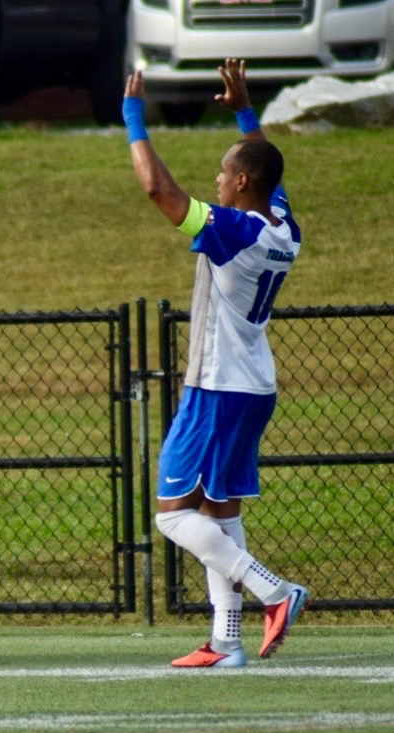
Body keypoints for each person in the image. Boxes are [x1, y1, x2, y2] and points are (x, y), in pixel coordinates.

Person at [123, 59, 308, 668]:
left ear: (243, 183)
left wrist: (132, 117)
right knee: (218, 511)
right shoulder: (283, 226)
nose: (218, 180)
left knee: (173, 515)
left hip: (219, 385)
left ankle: (274, 591)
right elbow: (268, 167)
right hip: (253, 385)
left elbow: (160, 193)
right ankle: (226, 641)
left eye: (225, 173)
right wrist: (245, 111)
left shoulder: (236, 232)